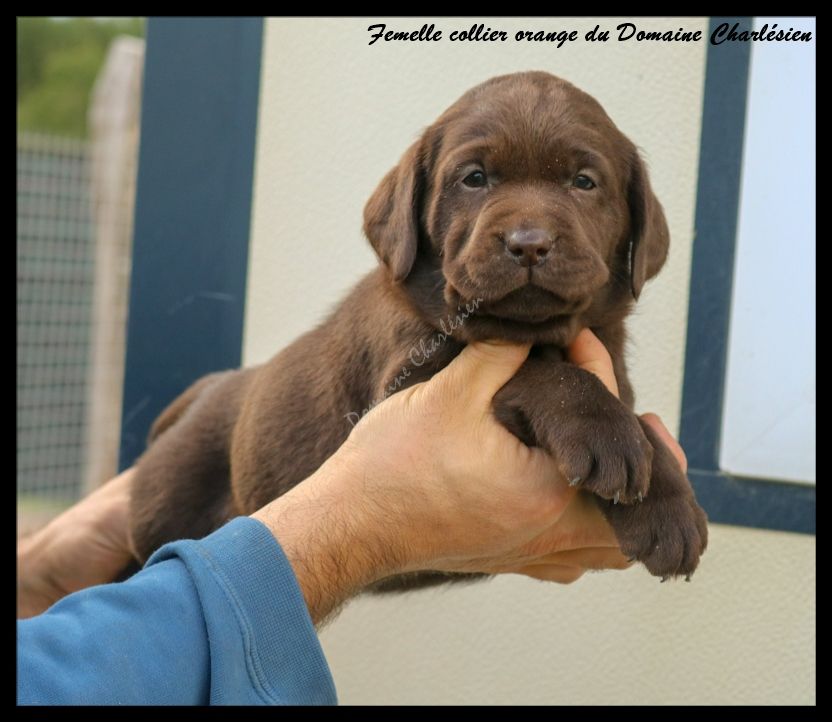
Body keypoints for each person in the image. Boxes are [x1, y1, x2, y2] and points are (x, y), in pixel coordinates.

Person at [17, 331, 686, 705]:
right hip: (206, 463)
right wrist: (352, 530)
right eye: (474, 179)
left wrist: (37, 574)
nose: (529, 232)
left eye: (583, 183)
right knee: (152, 536)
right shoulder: (414, 322)